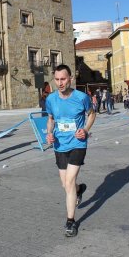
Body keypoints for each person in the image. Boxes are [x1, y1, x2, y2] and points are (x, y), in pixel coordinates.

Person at [45, 64, 96, 237]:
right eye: (57, 79)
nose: (60, 83)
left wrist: (86, 130)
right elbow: (51, 119)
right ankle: (79, 189)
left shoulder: (81, 97)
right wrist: (49, 133)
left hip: (78, 143)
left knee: (69, 181)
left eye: (63, 79)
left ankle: (70, 221)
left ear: (71, 79)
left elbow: (92, 114)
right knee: (66, 184)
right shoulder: (51, 99)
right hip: (59, 145)